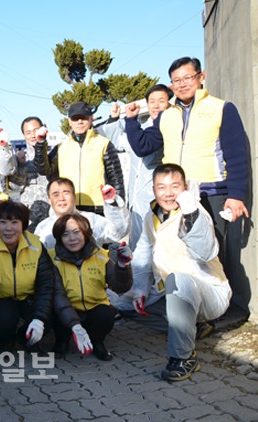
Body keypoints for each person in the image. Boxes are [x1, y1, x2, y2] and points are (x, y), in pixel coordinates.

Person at [124, 57, 250, 314]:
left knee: (214, 253)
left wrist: (236, 195)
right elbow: (144, 146)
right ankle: (191, 308)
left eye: (187, 78)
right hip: (177, 195)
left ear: (200, 77)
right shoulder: (166, 115)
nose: (182, 84)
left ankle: (223, 311)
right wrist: (131, 121)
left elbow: (237, 155)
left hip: (212, 193)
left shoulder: (221, 108)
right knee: (183, 253)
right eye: (176, 80)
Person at [123, 163, 231, 381]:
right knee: (122, 303)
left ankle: (184, 358)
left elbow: (205, 252)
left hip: (208, 292)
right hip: (171, 293)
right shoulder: (150, 216)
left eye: (175, 186)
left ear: (185, 188)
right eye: (161, 187)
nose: (168, 193)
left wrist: (190, 214)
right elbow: (143, 256)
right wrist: (140, 290)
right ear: (154, 190)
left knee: (178, 279)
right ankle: (192, 328)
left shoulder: (195, 212)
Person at [50, 213, 133, 361]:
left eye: (76, 232)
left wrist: (122, 266)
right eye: (65, 234)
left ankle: (97, 342)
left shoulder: (101, 256)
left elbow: (119, 287)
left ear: (86, 233)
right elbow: (57, 294)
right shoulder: (52, 258)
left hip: (95, 306)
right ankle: (61, 342)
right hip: (66, 308)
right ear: (59, 238)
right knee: (54, 311)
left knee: (105, 314)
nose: (72, 238)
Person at [98, 84, 173, 249]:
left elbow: (142, 147)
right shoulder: (140, 127)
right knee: (138, 242)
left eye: (161, 101)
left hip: (159, 194)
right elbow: (117, 142)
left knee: (160, 241)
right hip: (135, 195)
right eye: (152, 101)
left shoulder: (171, 127)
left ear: (169, 104)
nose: (156, 105)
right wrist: (114, 119)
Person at [0, 200, 53, 351]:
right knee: (3, 321)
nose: (8, 228)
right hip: (0, 298)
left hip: (29, 296)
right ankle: (6, 340)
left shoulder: (36, 245)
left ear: (23, 225)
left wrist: (39, 319)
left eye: (15, 222)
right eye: (3, 222)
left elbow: (46, 284)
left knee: (48, 315)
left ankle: (26, 338)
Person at [34, 101, 124, 215]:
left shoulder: (104, 144)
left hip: (99, 208)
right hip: (70, 207)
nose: (80, 121)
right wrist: (40, 143)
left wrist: (118, 207)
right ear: (69, 121)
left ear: (91, 118)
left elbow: (116, 178)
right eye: (75, 118)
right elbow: (44, 170)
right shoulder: (61, 147)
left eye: (84, 118)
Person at [34, 177, 129, 250]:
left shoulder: (91, 220)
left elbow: (118, 232)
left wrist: (111, 202)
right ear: (49, 200)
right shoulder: (43, 228)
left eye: (66, 193)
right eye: (56, 194)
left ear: (74, 197)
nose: (61, 198)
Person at [6, 116, 51, 232]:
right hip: (29, 214)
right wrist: (20, 166)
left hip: (52, 212)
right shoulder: (21, 157)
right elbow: (15, 188)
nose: (32, 135)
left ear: (44, 129)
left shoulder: (53, 154)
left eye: (35, 130)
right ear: (24, 136)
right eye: (28, 132)